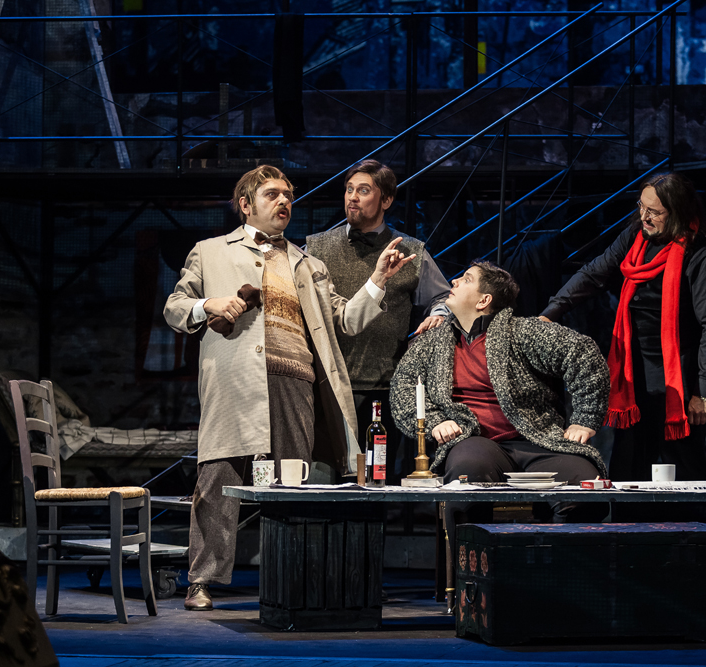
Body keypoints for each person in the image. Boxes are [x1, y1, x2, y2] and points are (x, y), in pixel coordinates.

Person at [164, 165, 415, 611]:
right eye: (272, 195)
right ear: (246, 204)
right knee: (219, 476)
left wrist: (378, 279)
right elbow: (175, 308)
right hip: (235, 380)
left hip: (295, 380)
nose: (284, 202)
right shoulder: (210, 251)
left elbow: (345, 320)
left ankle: (290, 579)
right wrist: (209, 303)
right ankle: (201, 579)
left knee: (292, 482)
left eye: (288, 195)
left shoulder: (308, 263)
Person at [390, 261, 610, 544]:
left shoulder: (521, 331)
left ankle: (562, 567)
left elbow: (582, 352)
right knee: (466, 477)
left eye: (466, 279)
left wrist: (585, 419)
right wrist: (435, 422)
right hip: (475, 441)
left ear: (484, 300)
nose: (454, 282)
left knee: (586, 488)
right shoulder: (431, 342)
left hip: (537, 441)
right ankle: (472, 567)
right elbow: (403, 387)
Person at [539, 172, 706, 482]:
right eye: (641, 207)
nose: (644, 216)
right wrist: (551, 313)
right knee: (627, 465)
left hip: (680, 378)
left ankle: (695, 517)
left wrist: (704, 392)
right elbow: (593, 274)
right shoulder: (635, 238)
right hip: (633, 374)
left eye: (655, 211)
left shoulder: (702, 253)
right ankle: (626, 516)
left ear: (678, 212)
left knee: (684, 469)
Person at [306, 159, 450, 481]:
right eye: (349, 189)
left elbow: (442, 297)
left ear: (386, 200)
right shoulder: (317, 248)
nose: (352, 197)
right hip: (329, 384)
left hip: (384, 384)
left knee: (376, 479)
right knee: (324, 478)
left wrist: (438, 315)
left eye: (363, 190)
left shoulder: (411, 251)